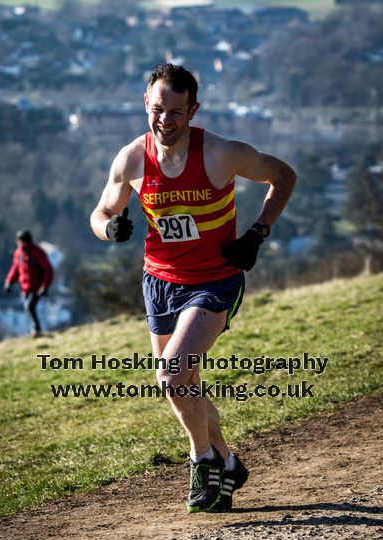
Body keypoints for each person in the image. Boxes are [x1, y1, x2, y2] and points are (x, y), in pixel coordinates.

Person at [90, 64, 296, 513]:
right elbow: (101, 212)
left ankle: (203, 463)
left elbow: (284, 175)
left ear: (193, 111)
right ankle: (228, 459)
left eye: (176, 112)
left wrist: (257, 233)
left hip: (214, 282)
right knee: (184, 385)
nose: (165, 120)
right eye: (158, 109)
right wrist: (111, 229)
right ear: (146, 105)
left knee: (171, 375)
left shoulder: (221, 154)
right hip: (158, 281)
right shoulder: (130, 159)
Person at [4, 230, 54, 336]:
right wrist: (9, 282)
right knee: (28, 309)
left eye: (20, 241)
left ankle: (37, 329)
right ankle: (33, 330)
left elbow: (48, 270)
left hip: (37, 287)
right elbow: (15, 269)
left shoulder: (38, 253)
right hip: (25, 288)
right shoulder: (18, 253)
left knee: (29, 307)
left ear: (27, 241)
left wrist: (44, 286)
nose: (18, 243)